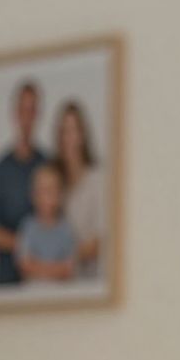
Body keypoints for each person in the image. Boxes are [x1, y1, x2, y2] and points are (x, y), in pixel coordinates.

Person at [0, 80, 48, 286]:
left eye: (32, 110)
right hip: (7, 281)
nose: (27, 117)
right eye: (23, 110)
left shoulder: (46, 164)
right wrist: (28, 244)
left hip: (43, 281)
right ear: (14, 113)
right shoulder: (0, 170)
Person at [54, 99, 105, 281]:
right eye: (64, 132)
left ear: (82, 135)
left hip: (89, 280)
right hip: (60, 285)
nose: (68, 138)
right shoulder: (56, 185)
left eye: (73, 130)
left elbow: (99, 242)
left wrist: (60, 257)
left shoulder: (97, 181)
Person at [15, 162, 77, 284]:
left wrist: (40, 269)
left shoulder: (67, 228)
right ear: (33, 195)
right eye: (42, 191)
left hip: (62, 293)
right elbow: (24, 266)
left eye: (52, 190)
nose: (47, 196)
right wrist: (53, 270)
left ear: (60, 195)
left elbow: (69, 268)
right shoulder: (27, 227)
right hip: (32, 293)